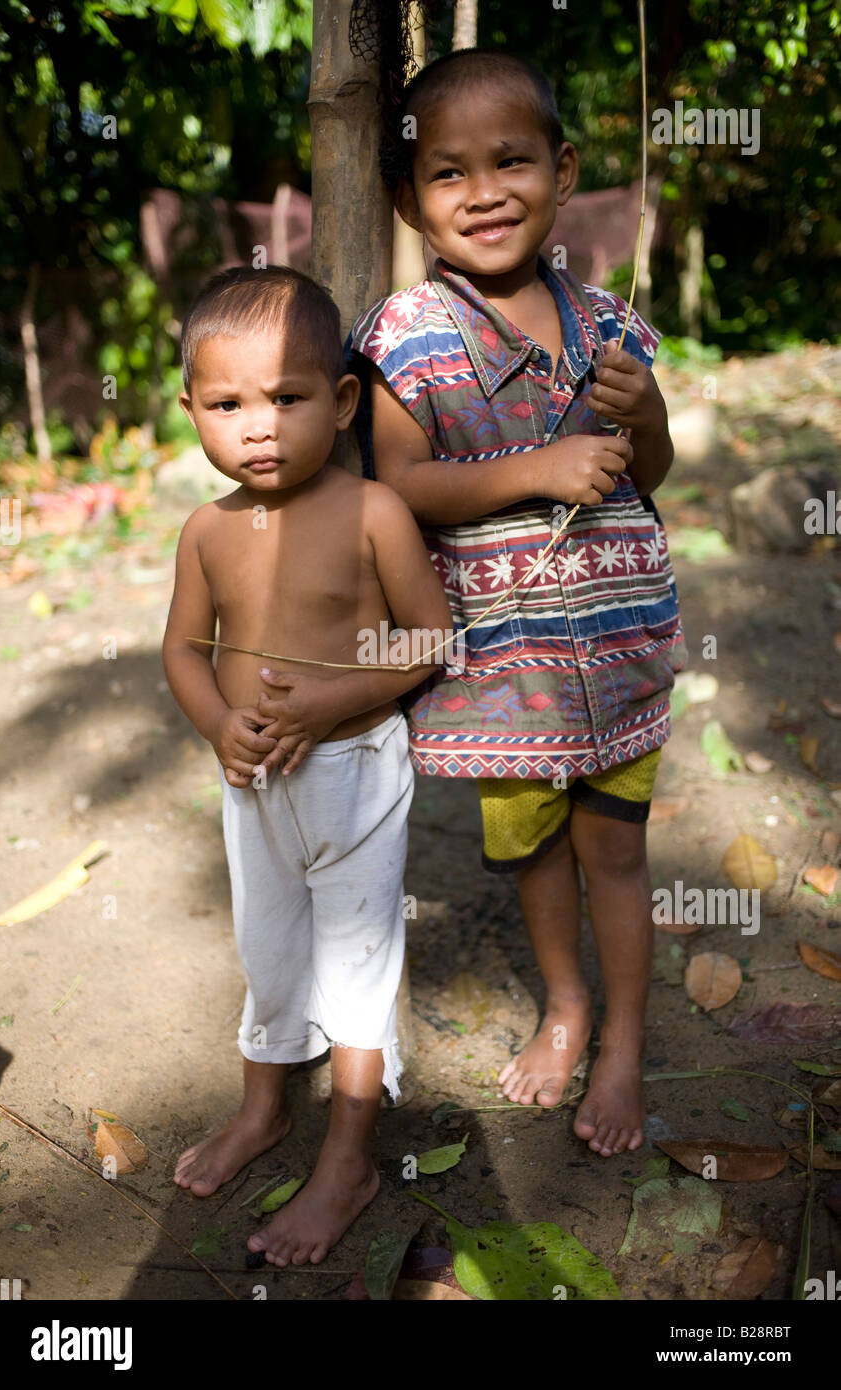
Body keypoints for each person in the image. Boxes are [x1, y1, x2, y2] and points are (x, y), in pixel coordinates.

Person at [345, 49, 687, 1158]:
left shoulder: (613, 328)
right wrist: (532, 469)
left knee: (618, 854)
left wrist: (641, 419)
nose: (483, 190)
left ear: (563, 170)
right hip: (506, 676)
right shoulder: (408, 339)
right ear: (407, 199)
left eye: (511, 160)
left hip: (621, 648)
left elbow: (656, 467)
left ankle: (623, 1041)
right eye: (448, 173)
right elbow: (397, 485)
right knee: (538, 857)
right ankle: (565, 1005)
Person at [162, 265, 453, 1265]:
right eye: (227, 403)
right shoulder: (206, 530)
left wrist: (330, 701)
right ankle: (262, 1111)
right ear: (191, 410)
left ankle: (349, 1156)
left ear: (337, 402)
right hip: (254, 785)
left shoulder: (371, 511)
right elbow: (181, 653)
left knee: (359, 966)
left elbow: (425, 640)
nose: (258, 426)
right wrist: (216, 725)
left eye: (287, 398)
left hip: (353, 776)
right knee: (269, 949)